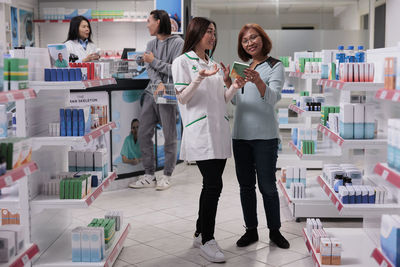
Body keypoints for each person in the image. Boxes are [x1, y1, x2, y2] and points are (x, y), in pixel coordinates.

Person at [172, 17, 245, 263]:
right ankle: (207, 240)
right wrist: (200, 77)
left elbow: (220, 99)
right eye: (208, 32)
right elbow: (183, 98)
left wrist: (234, 86)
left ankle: (199, 232)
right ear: (197, 33)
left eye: (214, 32)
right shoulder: (182, 62)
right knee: (214, 186)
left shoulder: (211, 62)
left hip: (219, 131)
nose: (212, 36)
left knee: (211, 185)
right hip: (200, 132)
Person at [221, 23, 290, 249]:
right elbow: (234, 101)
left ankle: (275, 231)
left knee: (268, 187)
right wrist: (228, 82)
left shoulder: (275, 65)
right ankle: (251, 231)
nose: (250, 42)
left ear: (263, 39)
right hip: (240, 135)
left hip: (265, 137)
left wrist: (258, 80)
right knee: (246, 187)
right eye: (245, 40)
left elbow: (273, 98)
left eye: (253, 37)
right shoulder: (243, 66)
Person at [129, 10, 184, 191]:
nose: (147, 25)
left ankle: (167, 175)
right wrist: (157, 80)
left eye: (149, 21)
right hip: (151, 92)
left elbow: (175, 70)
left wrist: (153, 61)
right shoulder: (151, 43)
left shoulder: (178, 43)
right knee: (144, 133)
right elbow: (149, 68)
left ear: (159, 22)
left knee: (170, 135)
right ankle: (148, 174)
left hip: (167, 94)